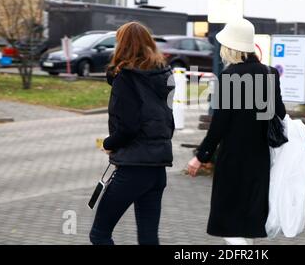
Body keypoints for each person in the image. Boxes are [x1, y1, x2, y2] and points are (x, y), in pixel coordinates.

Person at [187, 18, 286, 245]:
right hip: (260, 158)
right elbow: (278, 114)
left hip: (233, 159)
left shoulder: (230, 77)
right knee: (249, 223)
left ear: (231, 48)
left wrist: (200, 157)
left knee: (229, 223)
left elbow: (219, 126)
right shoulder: (269, 74)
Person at [89, 22, 175, 245]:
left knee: (99, 234)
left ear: (122, 45)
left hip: (133, 170)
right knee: (148, 238)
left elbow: (128, 127)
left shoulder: (126, 78)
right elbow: (169, 123)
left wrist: (109, 143)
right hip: (157, 170)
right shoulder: (164, 75)